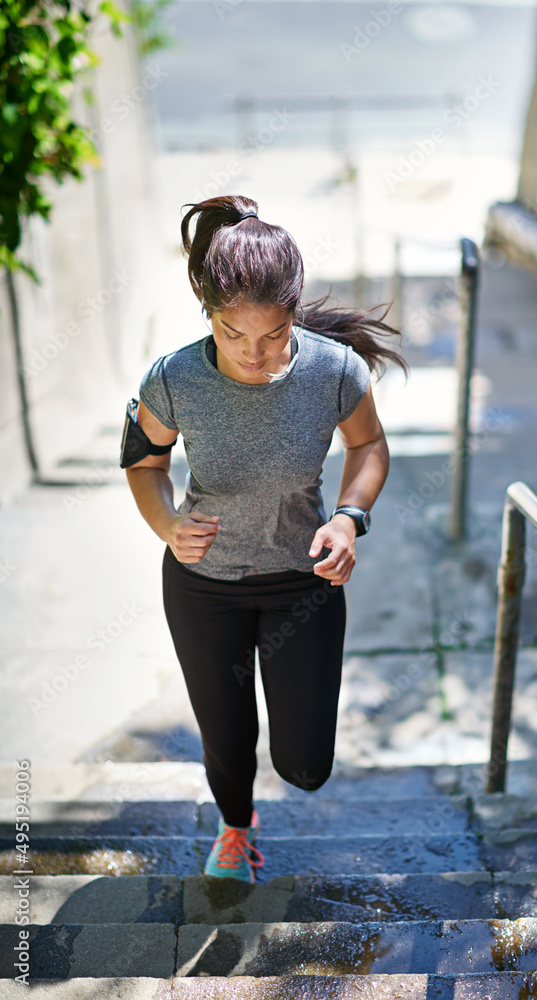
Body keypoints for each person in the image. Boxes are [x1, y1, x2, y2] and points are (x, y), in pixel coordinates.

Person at [121, 194, 408, 882]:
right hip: (203, 589)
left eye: (274, 335)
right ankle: (235, 830)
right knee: (227, 740)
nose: (254, 354)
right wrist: (166, 524)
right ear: (207, 313)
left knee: (306, 767)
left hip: (300, 588)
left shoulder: (334, 370)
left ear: (293, 311)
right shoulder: (172, 377)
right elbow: (143, 461)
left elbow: (369, 446)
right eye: (232, 334)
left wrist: (348, 517)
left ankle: (268, 796)